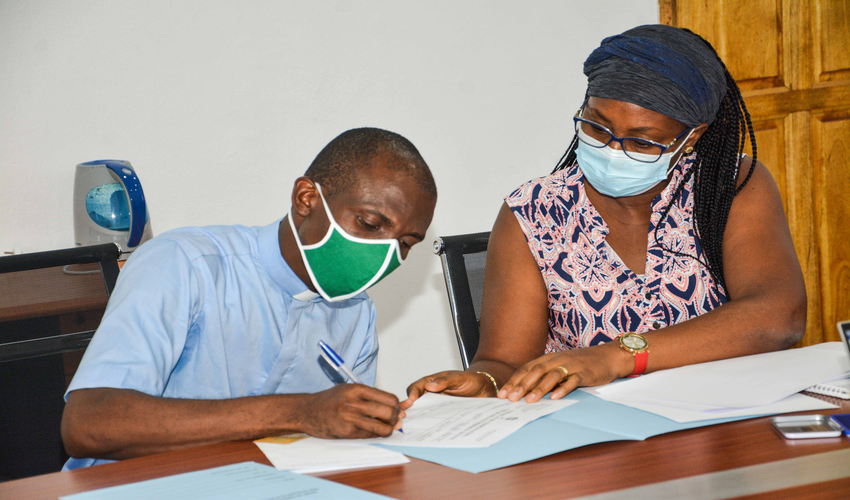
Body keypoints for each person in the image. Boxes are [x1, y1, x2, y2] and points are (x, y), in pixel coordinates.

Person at [404, 25, 805, 409]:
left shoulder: (728, 186)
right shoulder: (534, 212)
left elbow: (778, 315)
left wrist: (617, 356)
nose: (613, 149)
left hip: (723, 425)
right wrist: (486, 382)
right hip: (595, 441)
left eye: (641, 140)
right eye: (597, 127)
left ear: (691, 137)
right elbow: (505, 363)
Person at [61, 127, 437, 469]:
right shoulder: (185, 263)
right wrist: (302, 411)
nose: (387, 253)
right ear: (306, 198)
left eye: (404, 244)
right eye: (371, 224)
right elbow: (89, 425)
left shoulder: (355, 312)